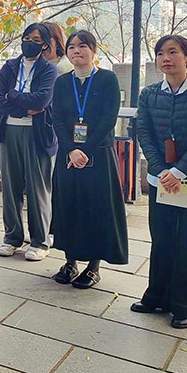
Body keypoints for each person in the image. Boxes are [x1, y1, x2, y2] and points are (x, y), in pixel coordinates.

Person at [131, 35, 187, 329]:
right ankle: (157, 297)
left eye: (173, 52)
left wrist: (180, 171)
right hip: (162, 180)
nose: (166, 58)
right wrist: (160, 170)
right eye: (160, 53)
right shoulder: (149, 94)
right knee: (163, 240)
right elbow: (144, 132)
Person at [50, 30, 128, 288]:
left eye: (82, 46)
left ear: (93, 50)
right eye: (71, 47)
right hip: (68, 155)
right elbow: (58, 119)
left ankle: (93, 267)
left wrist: (85, 150)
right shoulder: (63, 82)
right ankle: (70, 262)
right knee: (68, 207)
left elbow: (108, 119)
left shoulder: (107, 79)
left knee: (97, 209)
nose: (76, 51)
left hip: (98, 154)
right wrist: (71, 149)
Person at [0, 23, 58, 261]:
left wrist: (12, 96)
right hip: (9, 132)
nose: (29, 43)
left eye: (36, 40)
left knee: (38, 189)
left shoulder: (49, 70)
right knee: (10, 188)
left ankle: (40, 241)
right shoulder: (10, 66)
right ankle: (12, 238)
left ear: (45, 45)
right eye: (26, 38)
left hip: (37, 135)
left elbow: (41, 100)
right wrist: (23, 108)